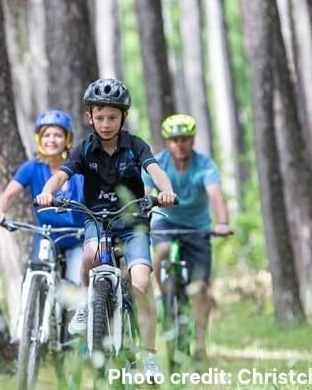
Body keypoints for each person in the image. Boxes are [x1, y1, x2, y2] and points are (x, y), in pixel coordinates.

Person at [35, 78, 177, 379]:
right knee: (88, 255)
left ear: (123, 117)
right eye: (100, 117)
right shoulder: (85, 148)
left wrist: (166, 191)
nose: (106, 123)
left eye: (112, 117)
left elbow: (155, 170)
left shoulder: (135, 145)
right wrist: (48, 192)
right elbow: (62, 175)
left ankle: (150, 357)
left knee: (140, 282)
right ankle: (88, 304)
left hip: (133, 223)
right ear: (90, 117)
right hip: (97, 221)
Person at [142, 113, 231, 365]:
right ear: (167, 142)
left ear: (192, 140)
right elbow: (144, 193)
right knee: (160, 251)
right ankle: (163, 292)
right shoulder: (157, 163)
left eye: (185, 139)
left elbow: (216, 196)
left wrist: (222, 223)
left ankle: (200, 344)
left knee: (200, 289)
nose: (179, 144)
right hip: (165, 222)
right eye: (174, 139)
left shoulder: (204, 165)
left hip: (197, 227)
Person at [0, 110, 85, 284]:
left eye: (58, 135)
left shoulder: (79, 167)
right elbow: (9, 194)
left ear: (67, 139)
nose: (52, 140)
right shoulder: (32, 167)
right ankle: (30, 310)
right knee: (35, 275)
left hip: (78, 235)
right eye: (47, 135)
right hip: (47, 233)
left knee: (77, 283)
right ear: (39, 139)